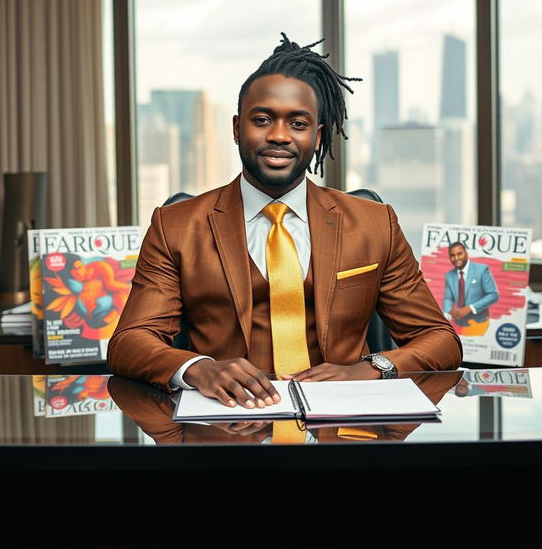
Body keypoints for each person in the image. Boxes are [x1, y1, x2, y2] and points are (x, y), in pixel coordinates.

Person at [107, 33, 462, 409]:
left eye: (297, 123)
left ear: (317, 135)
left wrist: (372, 368)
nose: (278, 135)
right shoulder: (175, 225)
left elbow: (439, 338)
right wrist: (198, 368)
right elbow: (129, 341)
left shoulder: (375, 222)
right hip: (226, 425)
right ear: (236, 128)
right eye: (262, 119)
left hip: (346, 427)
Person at [443, 241, 499, 336]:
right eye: (452, 255)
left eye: (459, 254)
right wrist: (448, 312)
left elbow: (493, 295)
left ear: (466, 253)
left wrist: (470, 308)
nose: (456, 258)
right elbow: (448, 298)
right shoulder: (449, 275)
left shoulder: (482, 270)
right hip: (458, 324)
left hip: (479, 323)